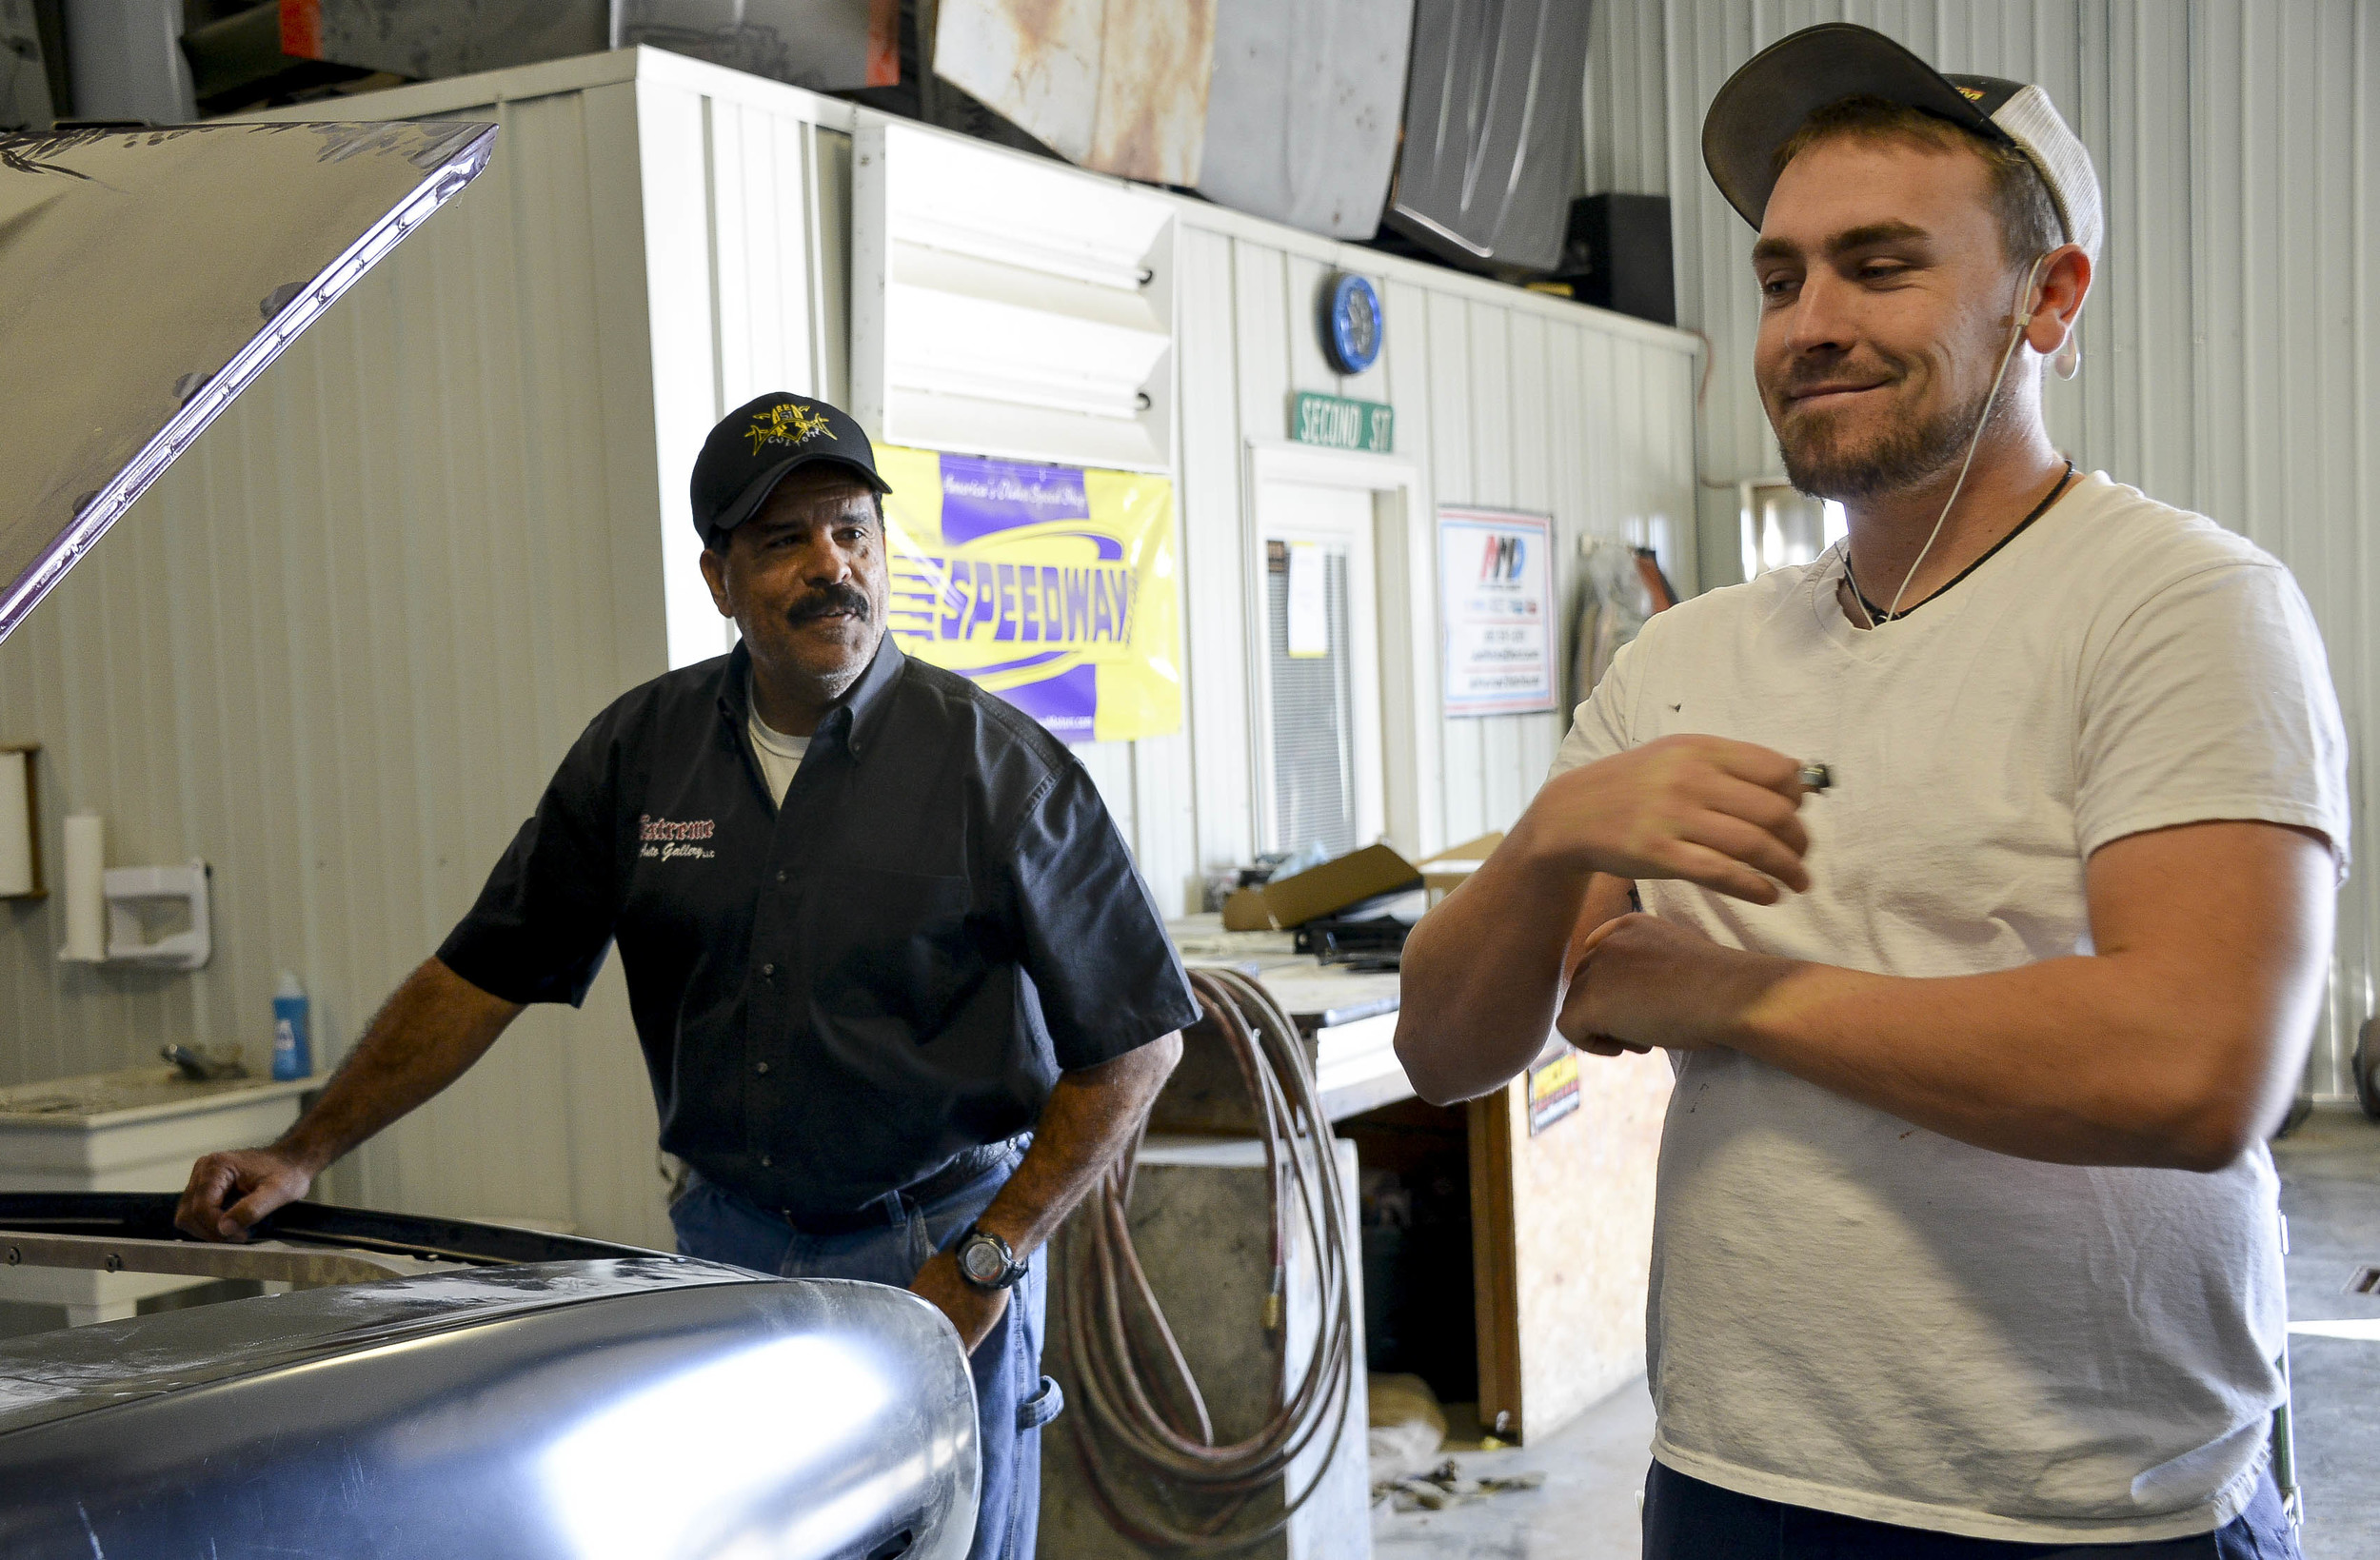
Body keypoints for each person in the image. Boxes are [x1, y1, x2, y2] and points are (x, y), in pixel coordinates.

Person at [1396, 23, 2339, 1560]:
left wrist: (1723, 992)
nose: (1808, 324)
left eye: (1880, 266)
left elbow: (2192, 1064)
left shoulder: (2179, 603)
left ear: (2049, 297)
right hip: (1733, 1478)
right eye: (1781, 279)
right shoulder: (1689, 654)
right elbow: (1448, 1045)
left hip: (2094, 1503)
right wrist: (1554, 838)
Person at [176, 391, 1199, 1560]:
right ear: (719, 578)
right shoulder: (639, 756)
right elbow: (483, 972)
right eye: (784, 541)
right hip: (725, 1253)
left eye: (854, 530)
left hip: (931, 1256)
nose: (834, 567)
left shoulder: (996, 769)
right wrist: (305, 1148)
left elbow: (1136, 1042)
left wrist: (988, 1257)